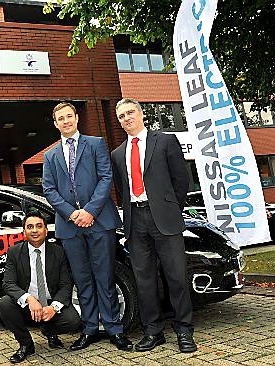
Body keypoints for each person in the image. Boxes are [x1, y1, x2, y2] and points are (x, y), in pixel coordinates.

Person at [42, 102, 132, 351]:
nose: (66, 121)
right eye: (61, 118)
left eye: (69, 116)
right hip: (70, 227)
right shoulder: (49, 156)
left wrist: (90, 211)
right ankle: (90, 329)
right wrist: (72, 214)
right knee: (82, 280)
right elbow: (49, 189)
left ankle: (114, 329)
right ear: (55, 123)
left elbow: (106, 177)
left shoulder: (95, 144)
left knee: (105, 277)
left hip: (99, 221)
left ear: (76, 118)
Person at [110, 98, 197, 353]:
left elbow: (181, 181)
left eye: (130, 113)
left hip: (165, 220)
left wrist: (170, 209)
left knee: (176, 277)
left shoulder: (165, 141)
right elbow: (121, 189)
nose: (126, 118)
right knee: (144, 280)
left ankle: (184, 331)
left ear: (140, 114)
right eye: (121, 116)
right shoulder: (117, 154)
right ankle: (153, 332)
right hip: (135, 222)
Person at [0, 210, 82, 363]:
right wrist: (29, 299)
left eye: (38, 226)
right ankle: (26, 344)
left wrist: (53, 308)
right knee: (4, 304)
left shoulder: (58, 252)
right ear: (24, 232)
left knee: (73, 321)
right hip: (28, 305)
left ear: (46, 230)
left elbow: (65, 285)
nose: (35, 230)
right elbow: (8, 283)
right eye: (30, 227)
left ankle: (49, 331)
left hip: (50, 302)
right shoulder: (14, 252)